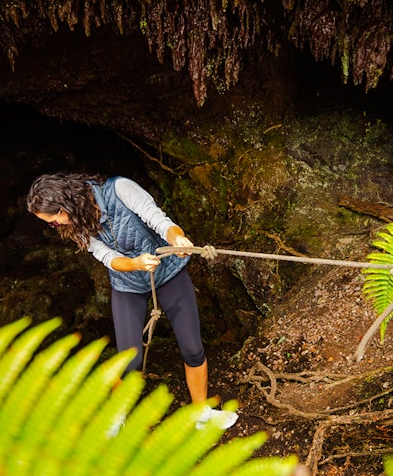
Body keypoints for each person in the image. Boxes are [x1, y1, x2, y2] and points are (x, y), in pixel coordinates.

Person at [26, 173, 238, 430]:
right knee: (129, 360)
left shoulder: (121, 189)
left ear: (65, 205)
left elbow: (158, 220)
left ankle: (201, 413)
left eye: (54, 220)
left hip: (168, 271)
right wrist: (135, 264)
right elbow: (106, 255)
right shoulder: (76, 225)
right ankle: (117, 417)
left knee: (193, 348)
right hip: (127, 284)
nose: (56, 225)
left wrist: (177, 239)